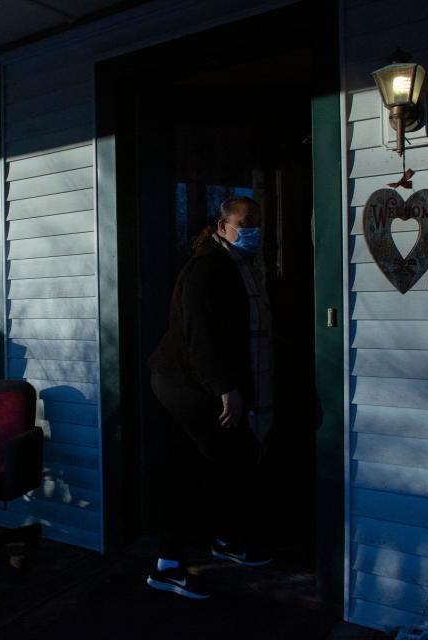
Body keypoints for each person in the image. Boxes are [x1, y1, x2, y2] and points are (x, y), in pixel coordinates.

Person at [145, 195, 274, 600]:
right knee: (214, 462)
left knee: (224, 460)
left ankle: (224, 539)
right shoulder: (208, 268)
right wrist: (226, 390)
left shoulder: (240, 266)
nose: (251, 229)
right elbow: (200, 338)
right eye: (243, 222)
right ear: (222, 227)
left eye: (256, 221)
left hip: (199, 380)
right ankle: (168, 565)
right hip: (186, 384)